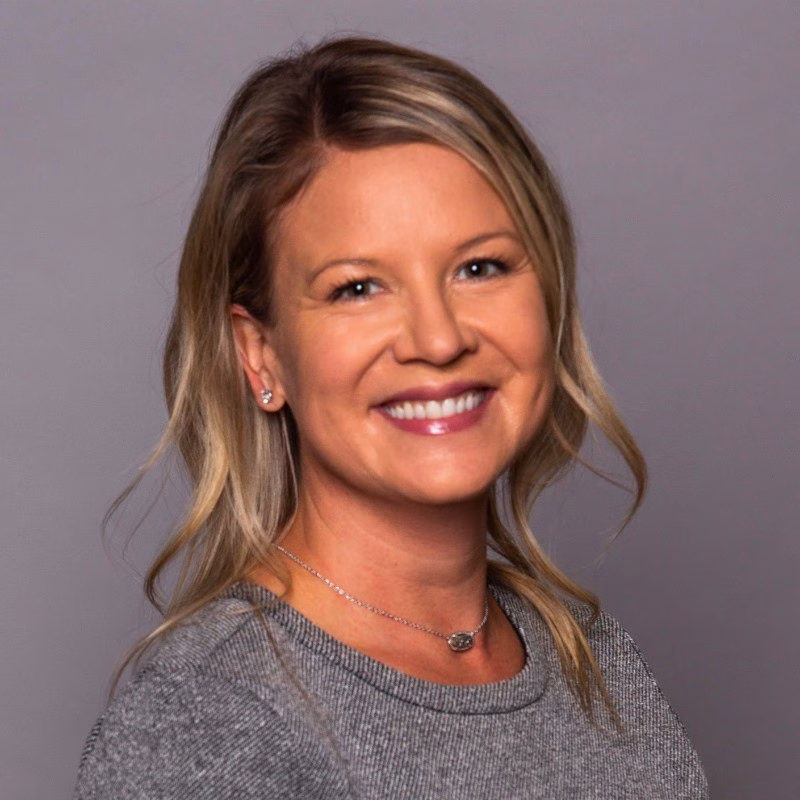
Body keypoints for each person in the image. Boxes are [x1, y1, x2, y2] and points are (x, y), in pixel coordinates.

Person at [74, 37, 708, 799]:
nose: (438, 340)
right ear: (261, 355)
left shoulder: (592, 662)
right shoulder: (210, 722)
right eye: (358, 288)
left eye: (479, 268)